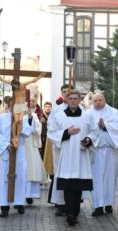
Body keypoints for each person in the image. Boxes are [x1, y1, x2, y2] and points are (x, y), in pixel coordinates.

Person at [47, 89, 98, 226]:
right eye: (71, 99)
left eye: (76, 98)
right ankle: (69, 213)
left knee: (78, 186)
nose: (74, 101)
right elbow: (51, 133)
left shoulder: (87, 116)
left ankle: (75, 212)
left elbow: (94, 132)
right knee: (68, 186)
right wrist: (66, 132)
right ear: (67, 100)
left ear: (80, 100)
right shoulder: (60, 116)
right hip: (67, 154)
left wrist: (88, 139)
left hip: (81, 154)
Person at [0, 97, 33, 217]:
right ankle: (4, 206)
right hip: (7, 152)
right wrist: (5, 144)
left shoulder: (22, 118)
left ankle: (19, 203)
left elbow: (28, 132)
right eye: (11, 105)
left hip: (19, 153)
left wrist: (20, 127)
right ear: (8, 106)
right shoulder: (1, 119)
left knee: (20, 178)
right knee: (5, 179)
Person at [88, 93, 118, 216]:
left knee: (110, 178)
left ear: (104, 100)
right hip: (96, 151)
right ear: (92, 102)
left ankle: (108, 203)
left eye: (100, 100)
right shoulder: (88, 114)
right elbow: (85, 129)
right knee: (97, 179)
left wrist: (105, 126)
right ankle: (98, 206)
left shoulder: (114, 112)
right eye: (95, 101)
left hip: (110, 151)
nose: (98, 102)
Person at [47, 84, 69, 215]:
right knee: (59, 174)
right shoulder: (57, 110)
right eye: (64, 92)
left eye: (68, 91)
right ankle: (60, 204)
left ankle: (72, 203)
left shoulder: (79, 109)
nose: (66, 94)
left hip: (72, 149)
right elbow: (51, 128)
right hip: (60, 147)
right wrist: (62, 136)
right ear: (61, 93)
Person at [24, 98, 47, 205]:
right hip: (19, 146)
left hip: (30, 145)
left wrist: (29, 118)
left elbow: (38, 129)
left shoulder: (33, 115)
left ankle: (30, 194)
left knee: (31, 169)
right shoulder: (14, 115)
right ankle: (20, 195)